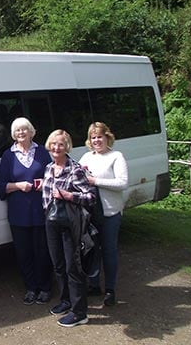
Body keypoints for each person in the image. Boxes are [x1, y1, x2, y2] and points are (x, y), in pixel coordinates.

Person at [0, 117, 53, 306]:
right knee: (24, 253)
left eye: (24, 129)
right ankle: (31, 288)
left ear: (31, 131)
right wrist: (18, 185)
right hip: (19, 214)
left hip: (41, 211)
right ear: (13, 134)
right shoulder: (8, 156)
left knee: (42, 251)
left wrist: (45, 183)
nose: (21, 133)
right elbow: (1, 185)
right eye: (17, 130)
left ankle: (45, 288)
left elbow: (54, 177)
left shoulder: (43, 152)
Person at [41, 129, 95, 327]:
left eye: (61, 144)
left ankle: (79, 311)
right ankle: (66, 300)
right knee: (58, 264)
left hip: (70, 224)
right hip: (51, 222)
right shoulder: (48, 168)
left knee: (73, 267)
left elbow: (90, 197)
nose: (56, 148)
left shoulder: (75, 169)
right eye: (54, 144)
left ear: (67, 147)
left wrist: (70, 195)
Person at [79, 122, 128, 306]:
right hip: (91, 213)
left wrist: (96, 180)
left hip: (110, 212)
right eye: (93, 137)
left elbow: (123, 182)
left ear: (107, 137)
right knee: (92, 250)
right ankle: (93, 284)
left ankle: (110, 289)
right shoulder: (86, 157)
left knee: (109, 251)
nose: (97, 140)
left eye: (100, 136)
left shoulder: (116, 156)